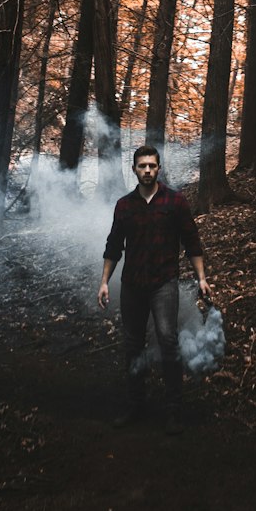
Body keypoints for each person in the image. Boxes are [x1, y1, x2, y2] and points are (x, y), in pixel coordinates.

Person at [97, 144, 210, 434]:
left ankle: (174, 409)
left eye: (152, 165)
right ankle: (136, 404)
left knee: (168, 341)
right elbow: (113, 246)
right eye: (142, 166)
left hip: (163, 283)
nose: (147, 170)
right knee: (133, 345)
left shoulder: (175, 202)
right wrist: (104, 282)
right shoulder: (124, 205)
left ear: (158, 168)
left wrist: (201, 278)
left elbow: (192, 242)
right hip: (132, 285)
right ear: (134, 169)